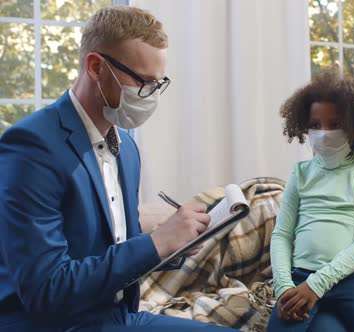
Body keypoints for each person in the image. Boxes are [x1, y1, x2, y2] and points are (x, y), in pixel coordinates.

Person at [0, 6, 234, 331]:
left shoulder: (127, 148)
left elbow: (117, 249)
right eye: (142, 81)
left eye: (158, 83)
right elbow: (46, 290)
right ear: (96, 67)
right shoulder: (32, 147)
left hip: (117, 317)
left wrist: (173, 244)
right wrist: (156, 242)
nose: (150, 95)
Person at [268, 72, 354, 331]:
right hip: (299, 276)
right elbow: (281, 235)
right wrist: (283, 286)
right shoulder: (300, 173)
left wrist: (318, 284)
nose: (324, 134)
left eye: (335, 124)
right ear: (303, 125)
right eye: (315, 125)